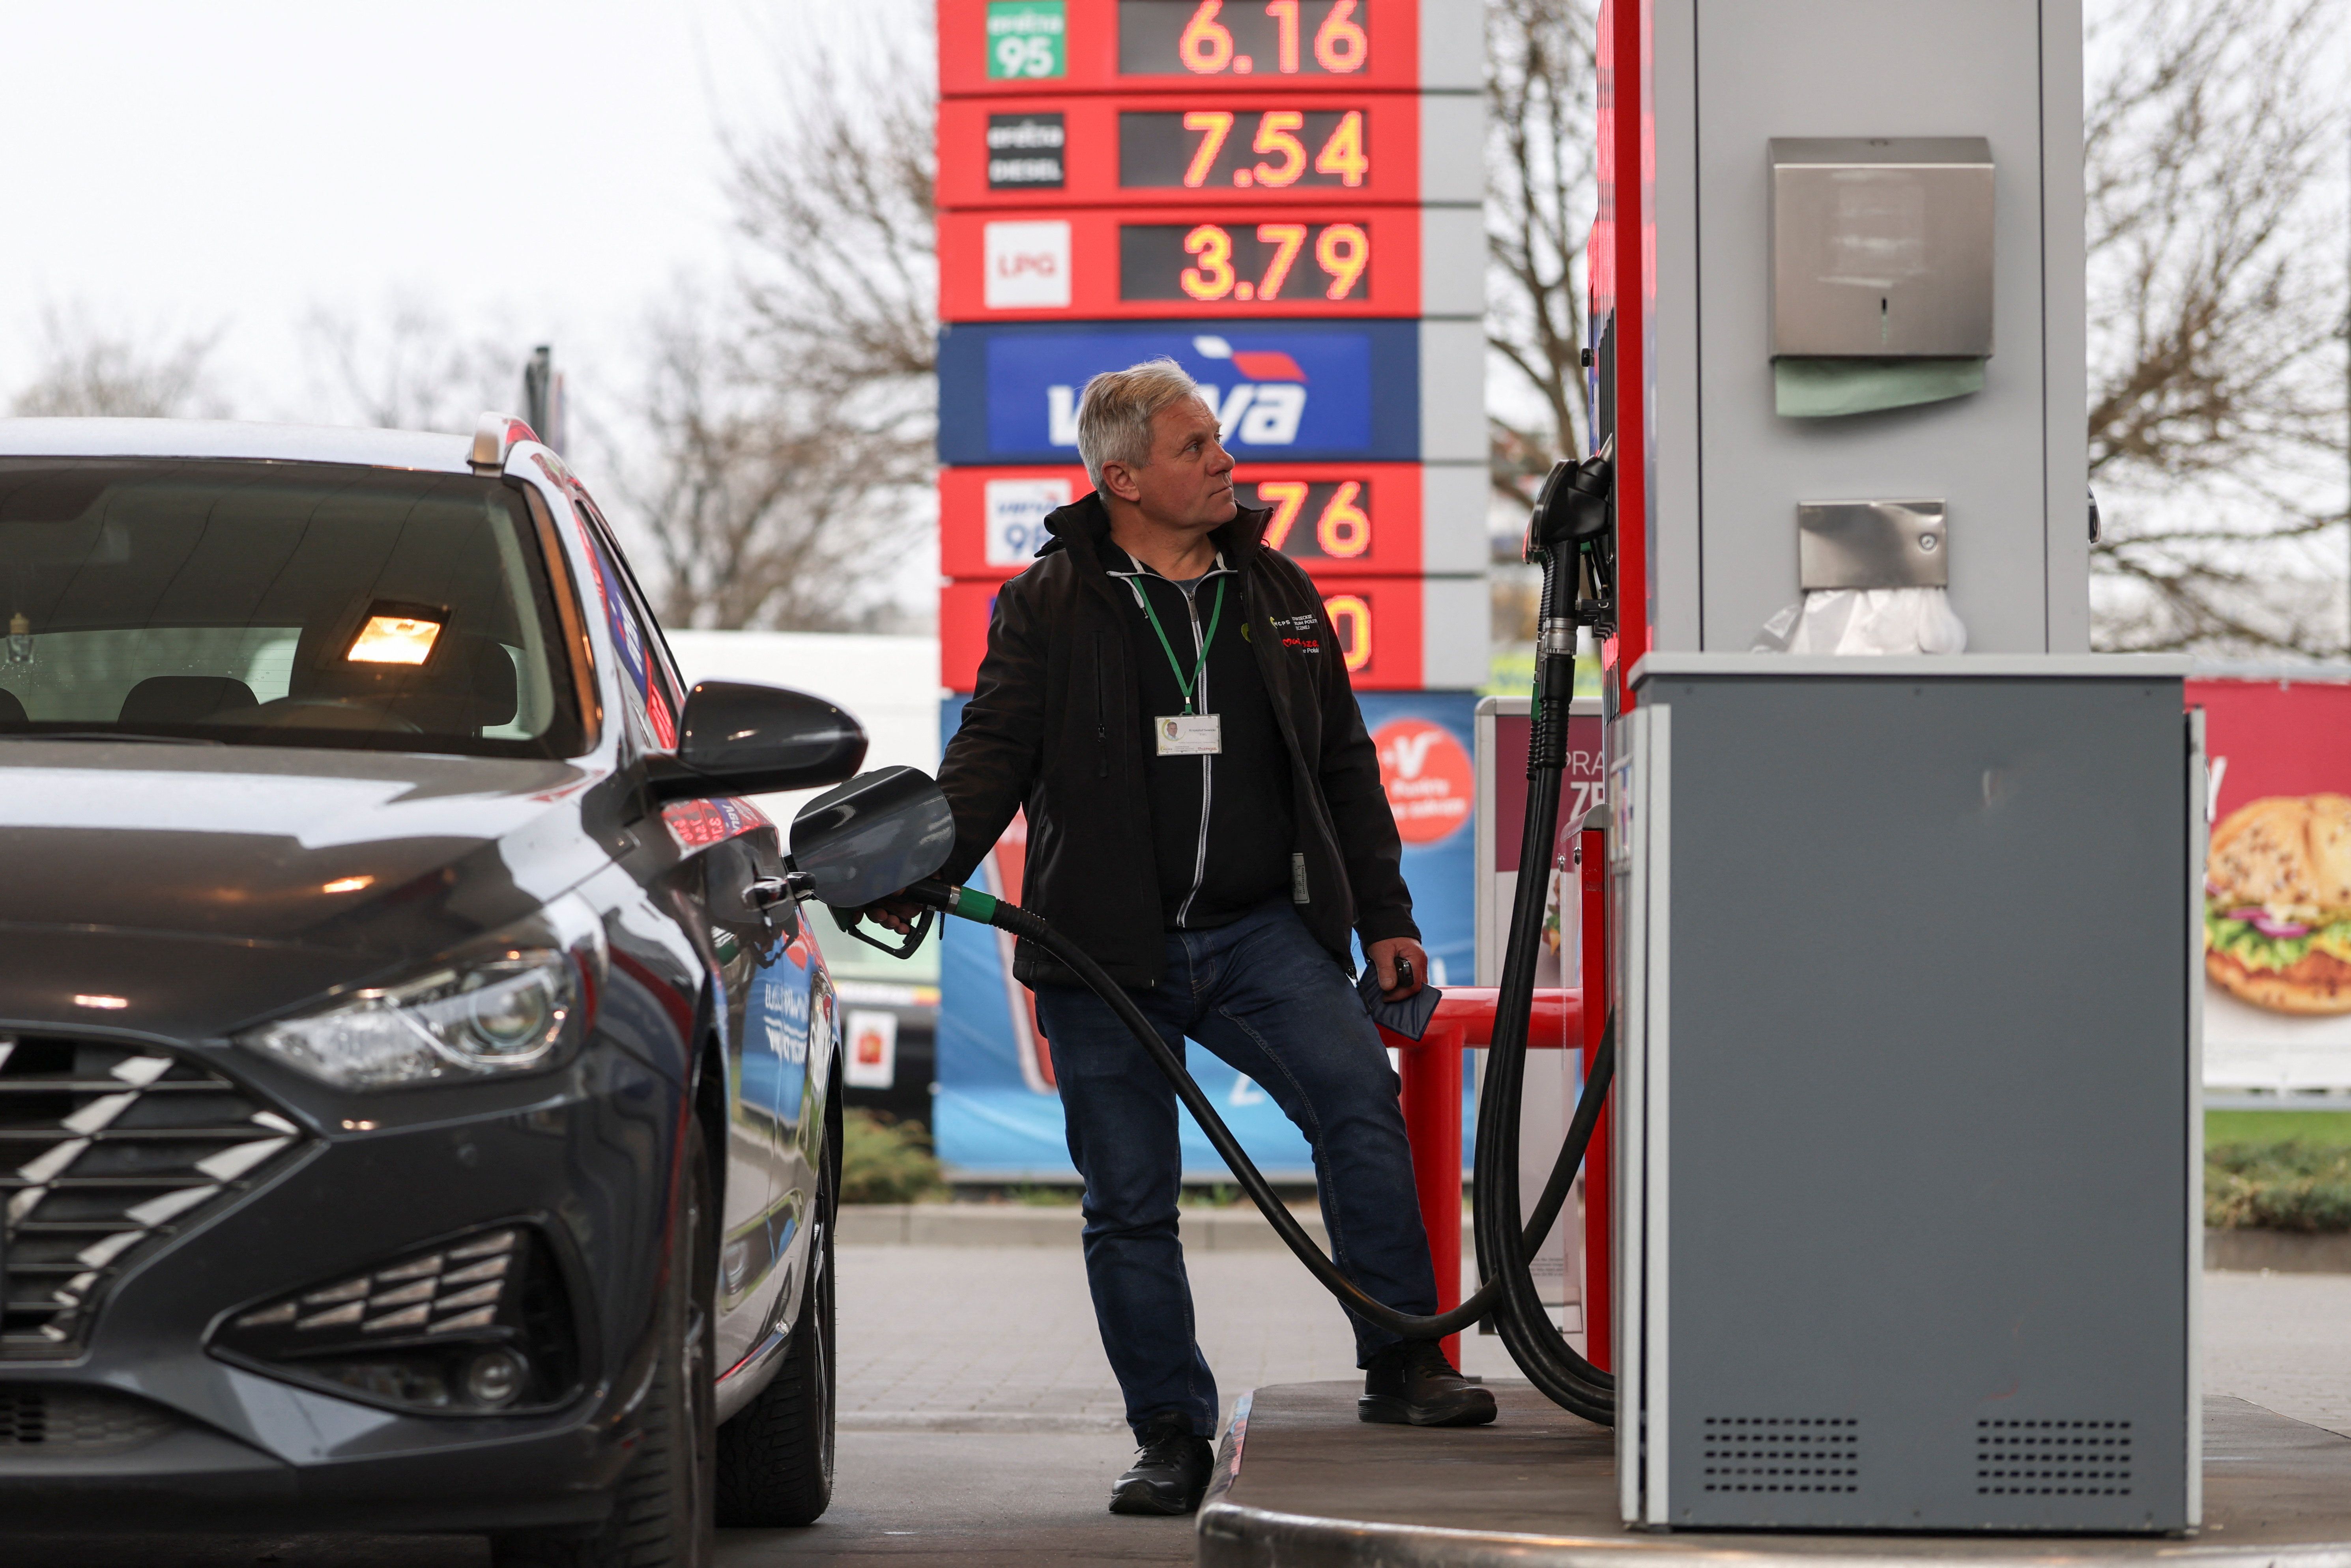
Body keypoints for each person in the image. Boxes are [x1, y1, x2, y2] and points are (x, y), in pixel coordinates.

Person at [872, 359, 1494, 1518]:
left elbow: (1348, 770)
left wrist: (1389, 921)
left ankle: (1404, 1360)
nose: (1224, 462)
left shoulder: (1280, 591)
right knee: (1130, 1200)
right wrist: (917, 871)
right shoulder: (1048, 603)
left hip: (1261, 937)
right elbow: (990, 762)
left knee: (1359, 1107)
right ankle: (1170, 1434)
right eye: (1197, 446)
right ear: (1124, 479)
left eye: (1218, 441)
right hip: (1106, 952)